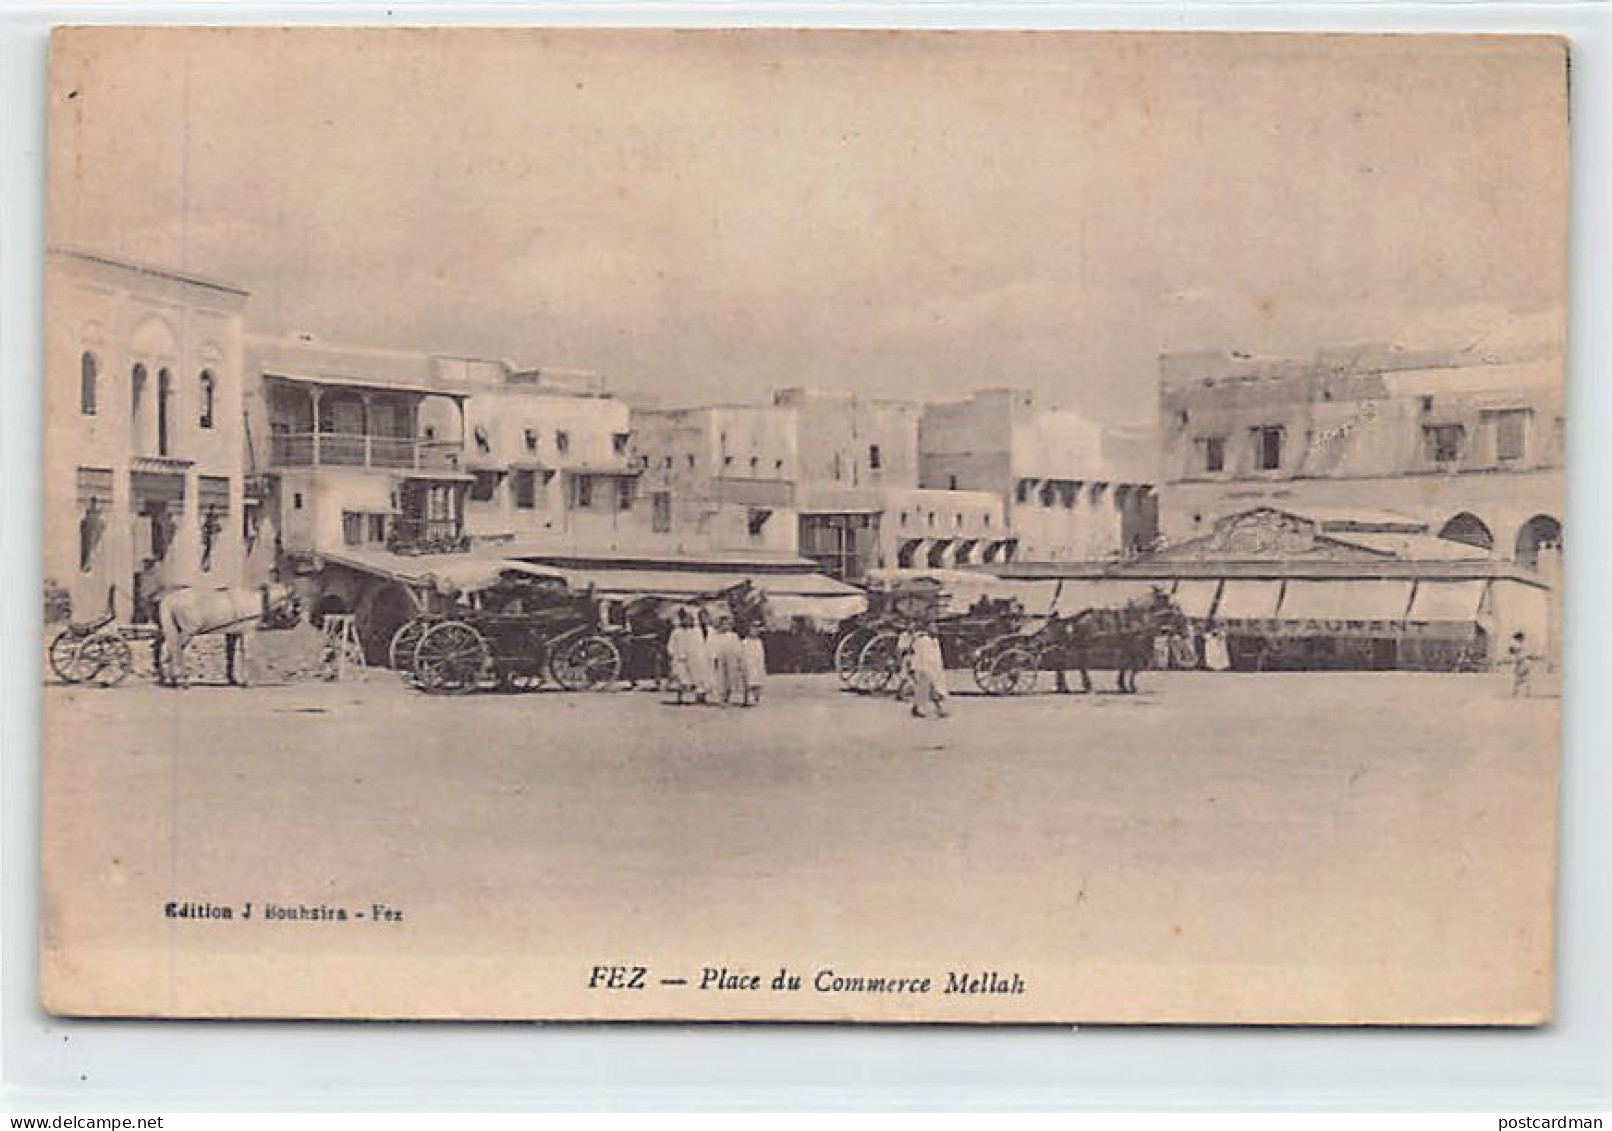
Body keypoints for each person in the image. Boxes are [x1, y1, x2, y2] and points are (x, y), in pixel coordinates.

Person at [908, 619, 949, 719]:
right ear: (927, 629)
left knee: (932, 690)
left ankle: (920, 708)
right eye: (933, 628)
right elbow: (921, 656)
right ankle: (933, 709)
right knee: (926, 691)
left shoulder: (934, 641)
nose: (936, 630)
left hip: (933, 668)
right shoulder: (923, 641)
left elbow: (936, 656)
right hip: (924, 668)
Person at [665, 609, 704, 705]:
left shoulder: (694, 632)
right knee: (681, 679)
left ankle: (696, 697)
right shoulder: (676, 632)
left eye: (689, 619)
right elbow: (671, 645)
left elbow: (698, 645)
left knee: (694, 678)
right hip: (679, 658)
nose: (687, 621)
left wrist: (698, 656)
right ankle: (680, 697)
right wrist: (672, 654)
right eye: (685, 619)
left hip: (692, 658)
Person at [709, 615, 745, 707]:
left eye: (728, 624)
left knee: (730, 678)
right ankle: (722, 697)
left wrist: (739, 659)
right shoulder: (716, 636)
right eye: (723, 624)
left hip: (731, 658)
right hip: (720, 658)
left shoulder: (733, 636)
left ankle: (728, 697)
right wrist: (714, 656)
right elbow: (713, 647)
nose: (726, 626)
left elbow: (738, 648)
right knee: (721, 678)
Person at [739, 622, 768, 706]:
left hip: (757, 663)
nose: (754, 632)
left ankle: (756, 696)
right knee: (747, 682)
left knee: (757, 681)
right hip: (748, 664)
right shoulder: (745, 642)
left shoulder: (759, 642)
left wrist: (761, 664)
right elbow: (742, 653)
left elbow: (761, 654)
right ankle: (746, 699)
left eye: (756, 630)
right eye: (752, 629)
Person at [1505, 631, 1538, 698]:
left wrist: (1513, 655)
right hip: (1524, 662)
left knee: (1520, 677)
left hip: (1522, 662)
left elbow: (1511, 651)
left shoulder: (1517, 644)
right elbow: (1512, 651)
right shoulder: (1521, 644)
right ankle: (1525, 692)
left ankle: (1517, 691)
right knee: (1525, 677)